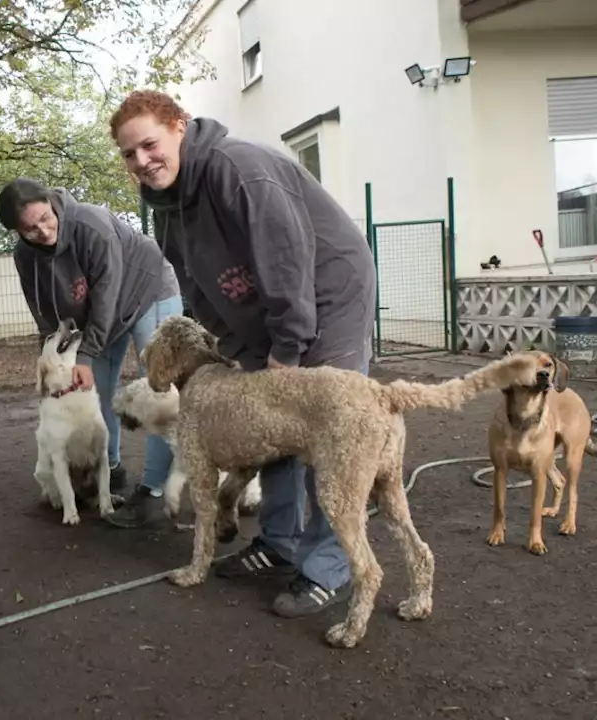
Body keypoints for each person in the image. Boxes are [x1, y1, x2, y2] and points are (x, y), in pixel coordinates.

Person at [108, 90, 378, 618]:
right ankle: (278, 542)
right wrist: (237, 349)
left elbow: (287, 262)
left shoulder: (239, 168)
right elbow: (197, 288)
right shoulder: (166, 207)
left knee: (330, 432)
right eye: (129, 154)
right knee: (267, 424)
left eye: (149, 144)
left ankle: (329, 566)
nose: (141, 161)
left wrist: (287, 348)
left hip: (327, 295)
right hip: (263, 311)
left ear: (179, 126)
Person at [0, 178, 184, 525]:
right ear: (16, 231)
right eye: (30, 229)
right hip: (100, 315)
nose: (44, 232)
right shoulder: (25, 256)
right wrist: (52, 359)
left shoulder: (91, 225)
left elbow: (107, 297)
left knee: (157, 387)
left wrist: (85, 355)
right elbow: (44, 314)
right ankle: (109, 471)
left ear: (52, 203)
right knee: (94, 386)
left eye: (46, 219)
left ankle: (153, 489)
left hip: (147, 291)